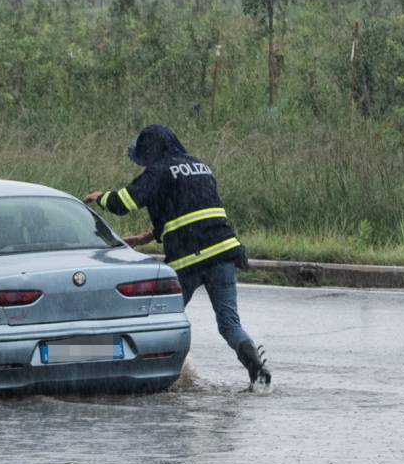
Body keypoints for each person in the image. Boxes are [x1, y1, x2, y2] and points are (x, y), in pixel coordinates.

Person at [83, 124, 271, 388]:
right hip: (224, 253)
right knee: (229, 324)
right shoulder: (199, 166)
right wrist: (147, 237)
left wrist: (101, 197)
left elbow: (124, 202)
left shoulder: (159, 170)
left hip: (189, 260)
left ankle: (140, 373)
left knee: (156, 320)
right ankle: (257, 369)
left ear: (151, 150)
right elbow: (186, 208)